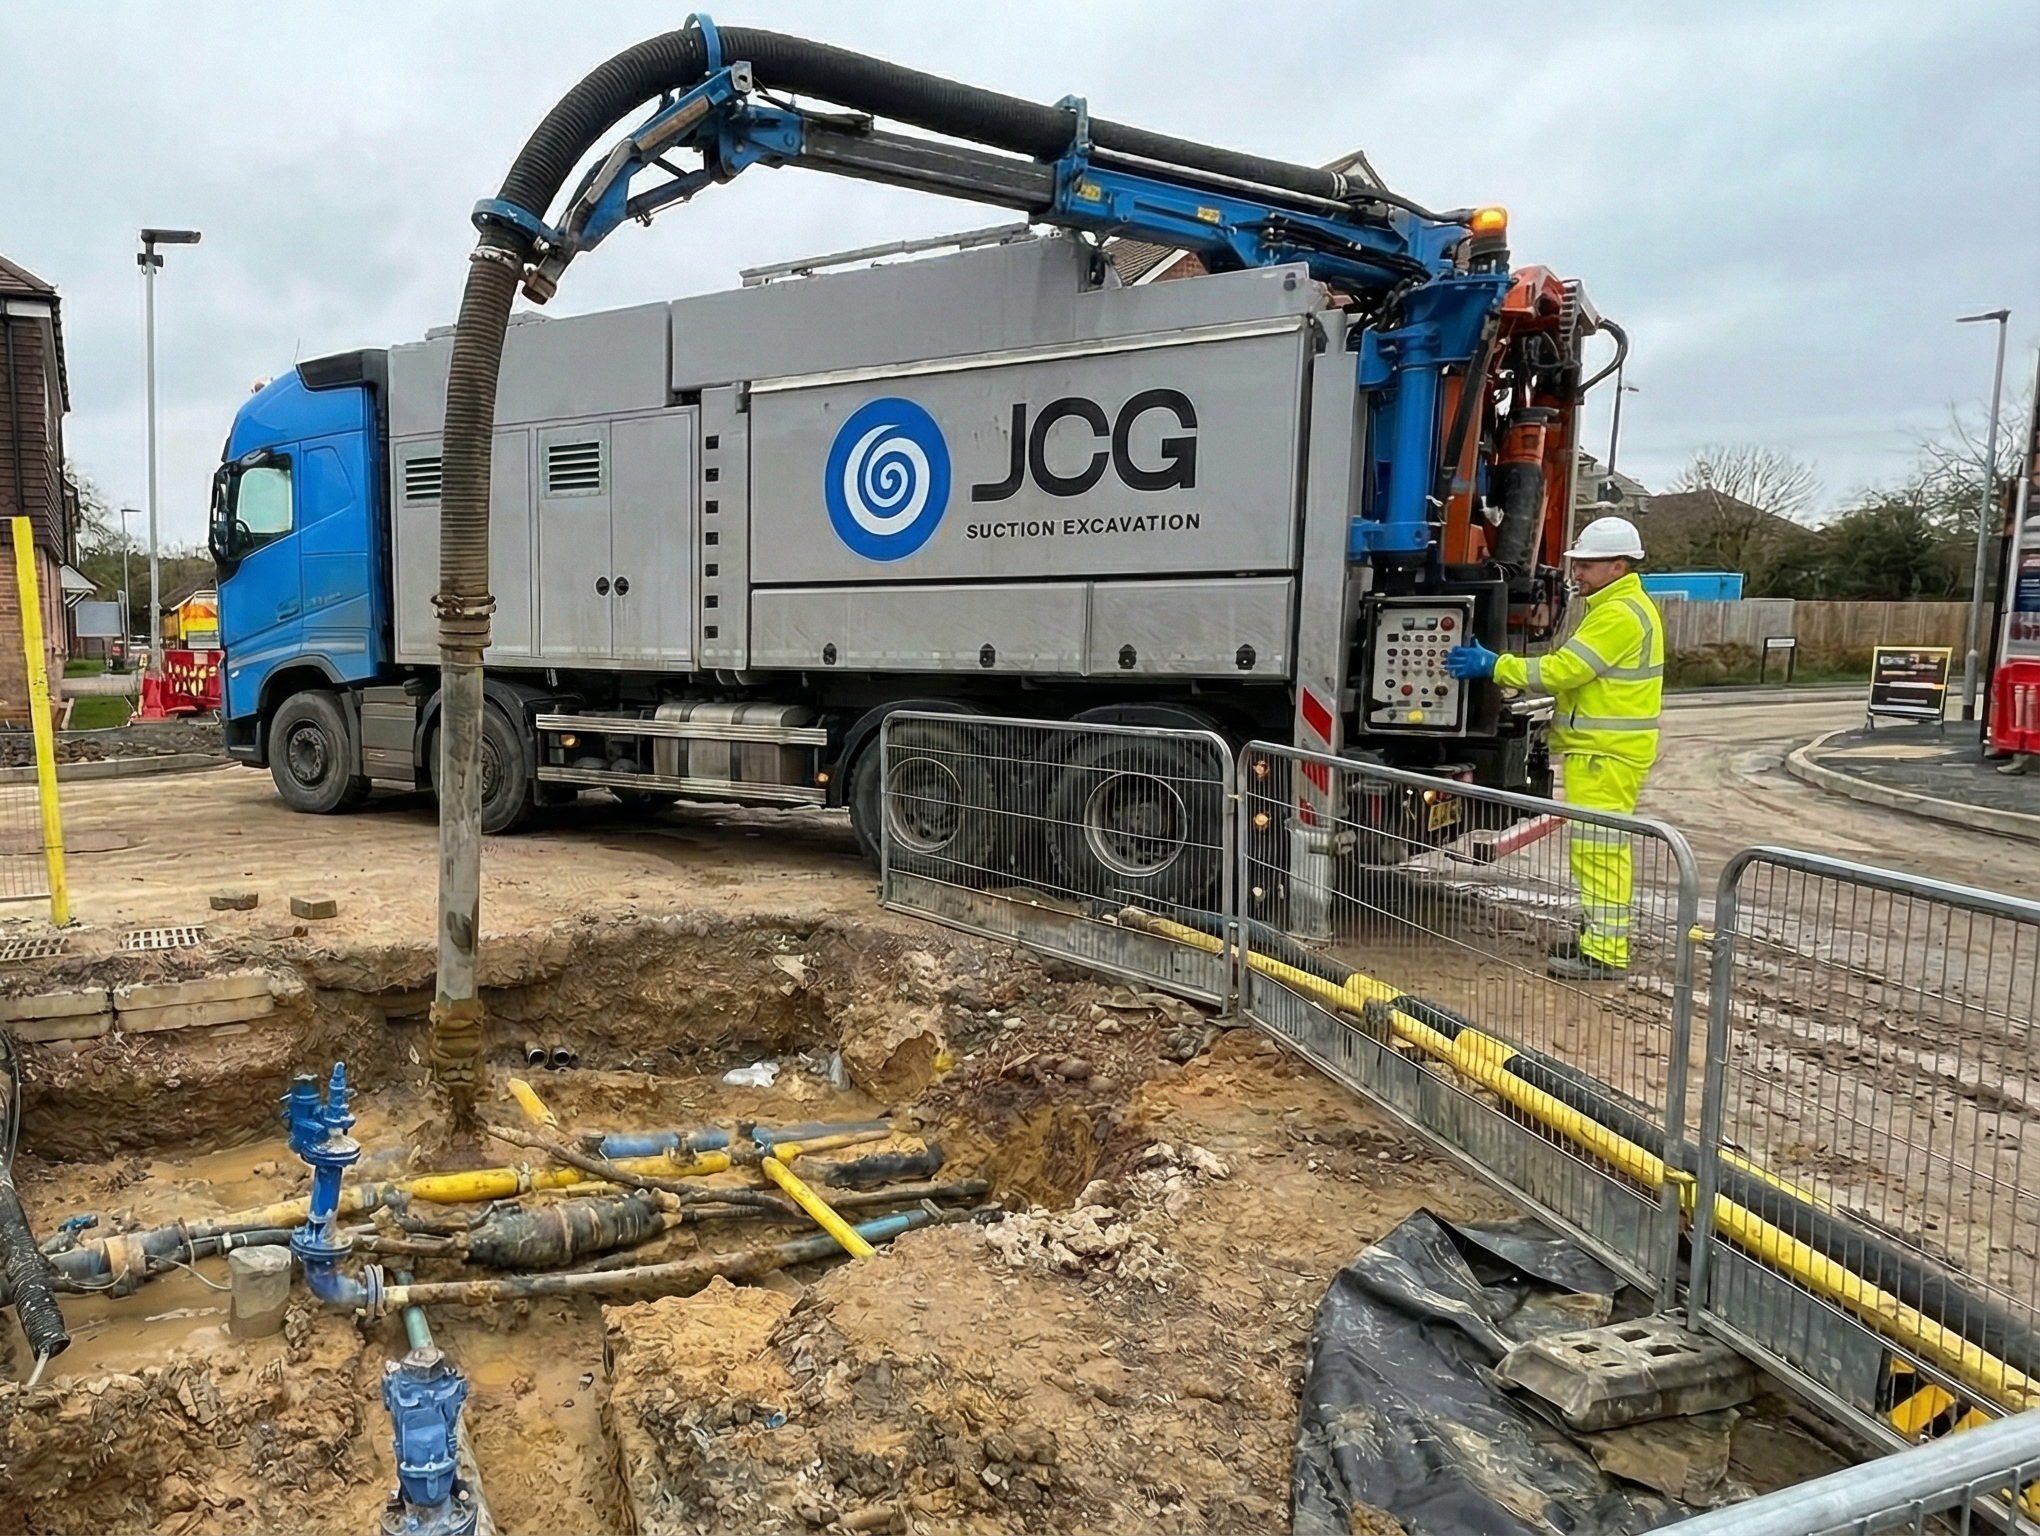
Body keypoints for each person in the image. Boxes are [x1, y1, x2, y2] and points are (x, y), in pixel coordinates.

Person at [1445, 515, 1664, 980]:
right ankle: (1598, 940)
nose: (1576, 573)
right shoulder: (1618, 608)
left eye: (1586, 564)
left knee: (1600, 854)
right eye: (1577, 563)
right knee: (1596, 852)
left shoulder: (1619, 614)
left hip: (1606, 754)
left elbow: (1565, 671)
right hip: (1604, 752)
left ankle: (1605, 953)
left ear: (1619, 565)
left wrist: (1495, 665)